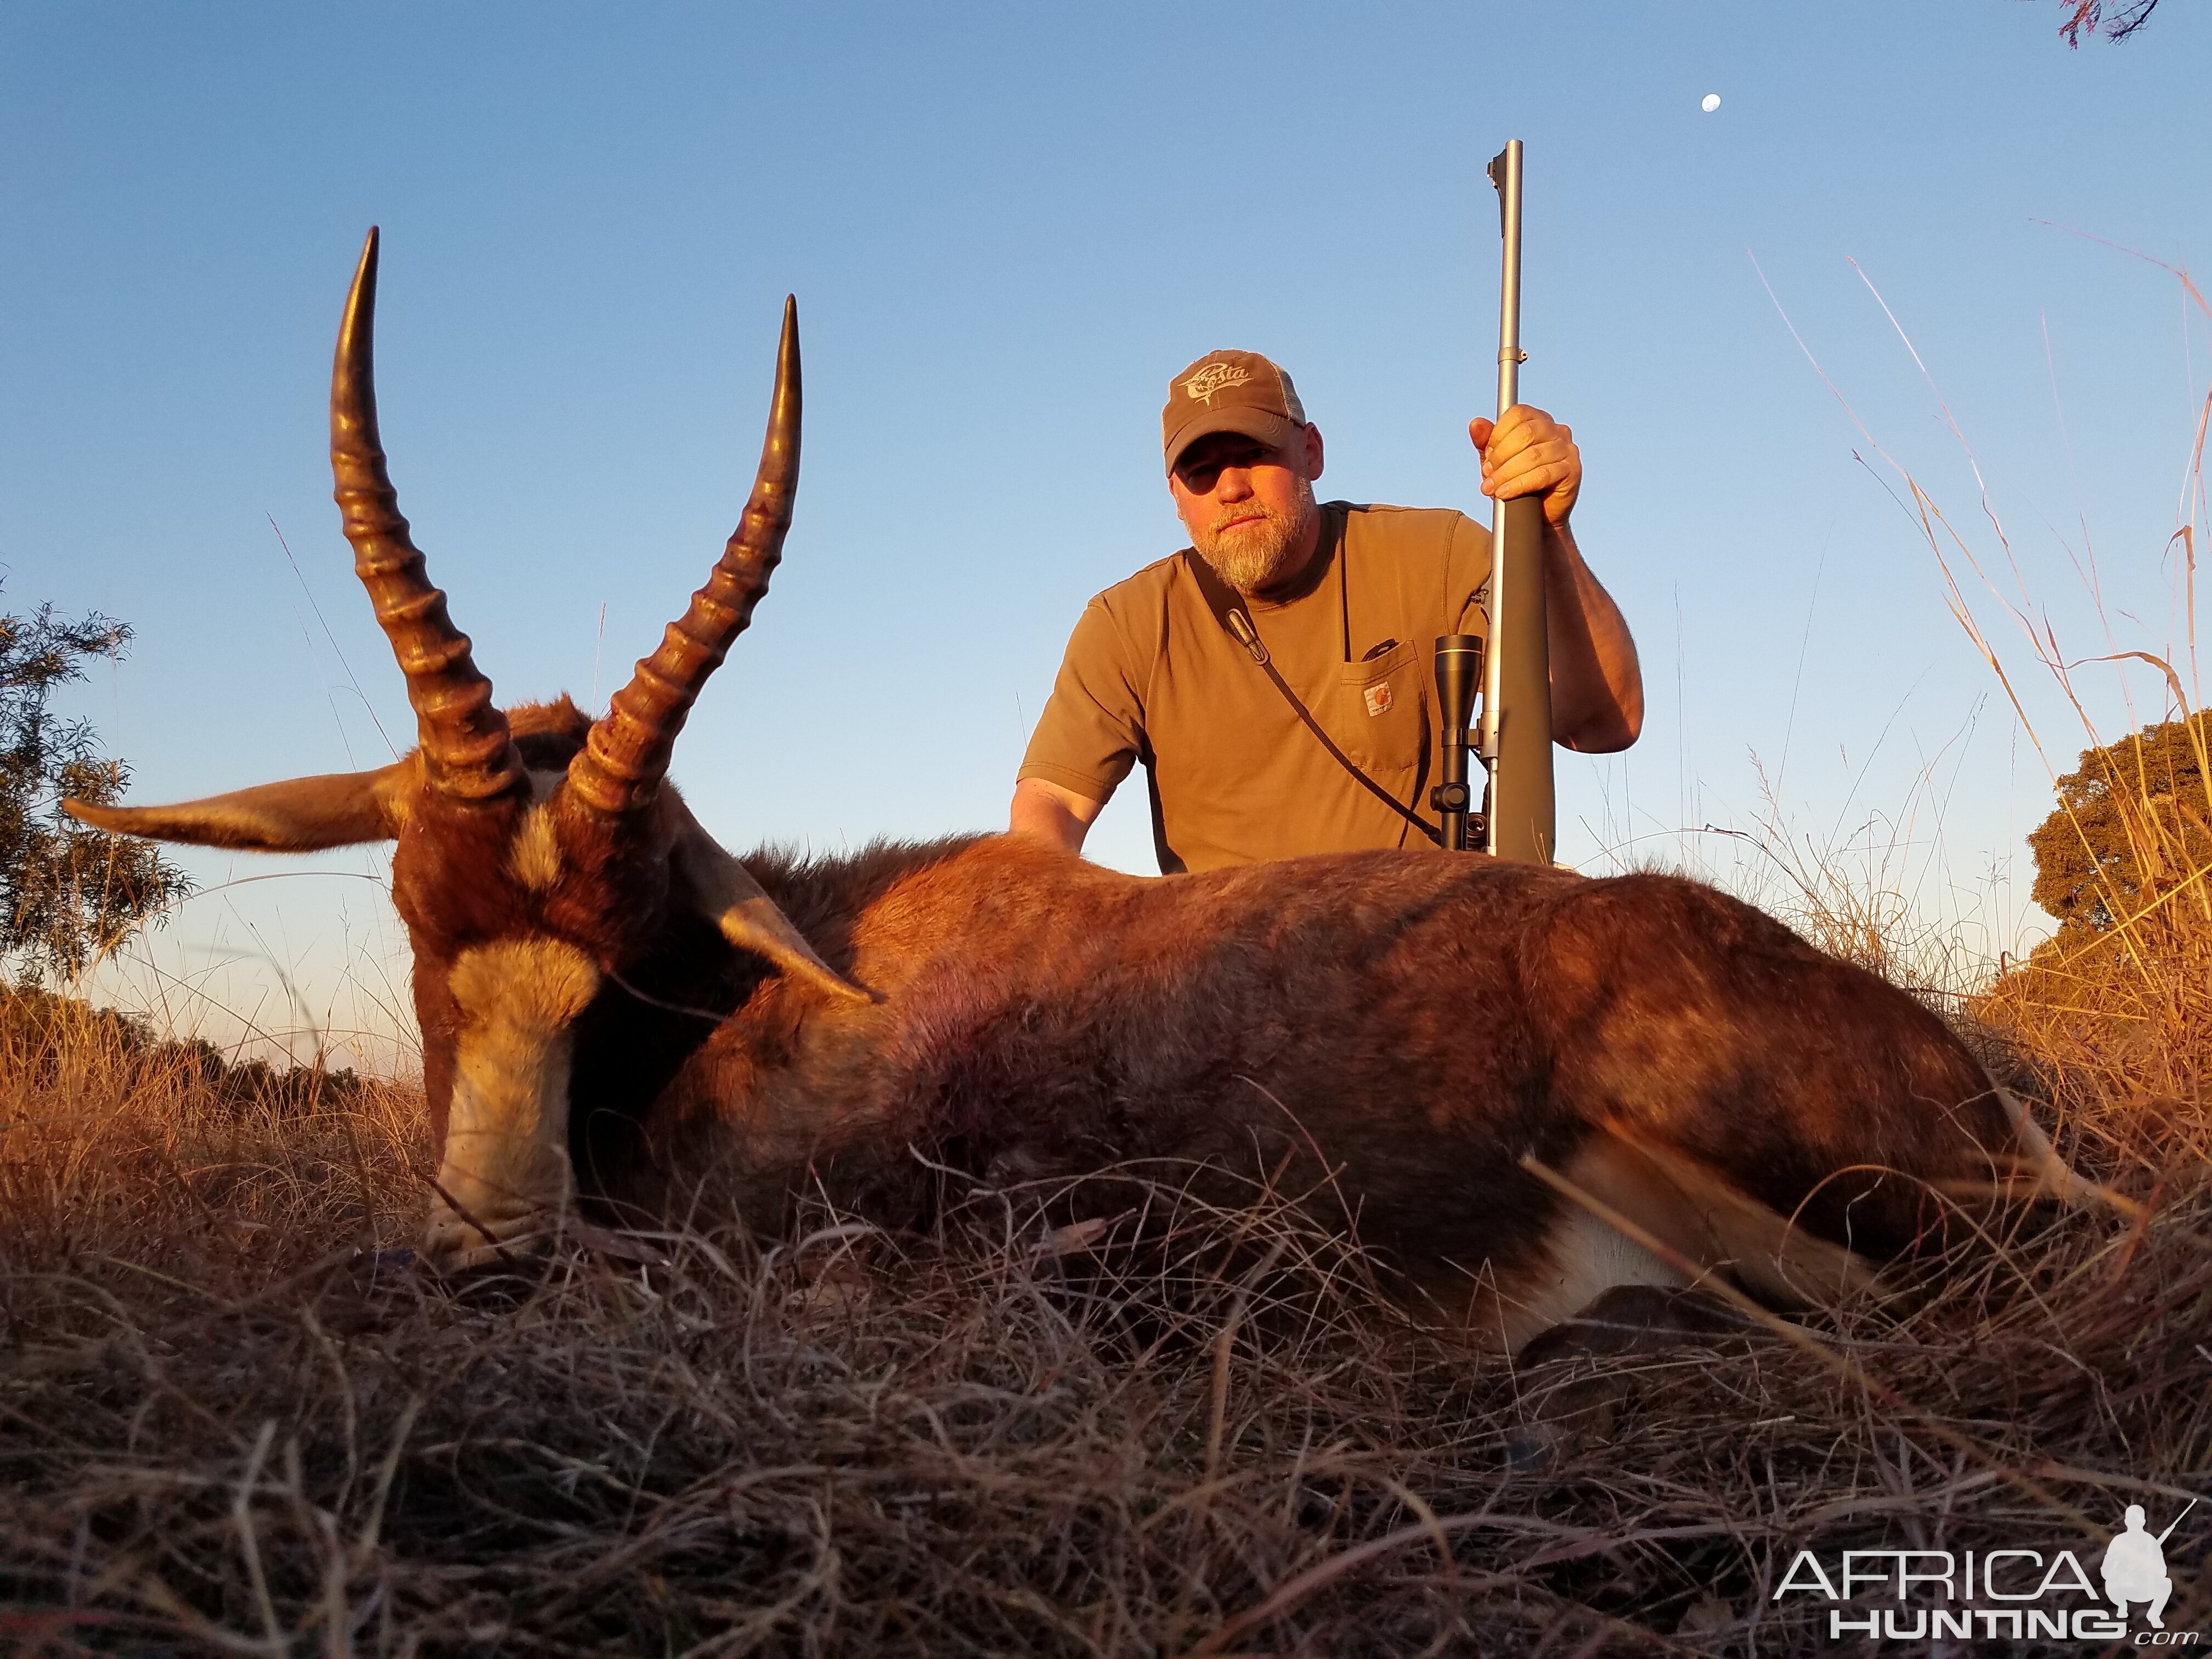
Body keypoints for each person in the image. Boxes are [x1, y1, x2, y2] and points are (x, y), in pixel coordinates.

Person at [1008, 348, 1643, 872]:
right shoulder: (1127, 623)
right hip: (1222, 993)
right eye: (1201, 471)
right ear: (1177, 495)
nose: (1231, 487)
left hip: (1419, 966)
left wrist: (1549, 534)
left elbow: (1606, 721)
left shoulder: (1436, 555)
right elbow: (1050, 805)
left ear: (1310, 451)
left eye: (1255, 453)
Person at [2102, 1505, 2174, 1628]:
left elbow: (2162, 1570)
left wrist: (2147, 1569)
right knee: (2110, 1583)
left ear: (2144, 1521)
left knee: (2167, 1584)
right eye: (2131, 1519)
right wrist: (2122, 1572)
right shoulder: (2119, 1541)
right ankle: (2122, 1607)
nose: (2134, 1523)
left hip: (2145, 1588)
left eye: (2138, 1519)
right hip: (2122, 1588)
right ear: (2126, 1522)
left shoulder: (2150, 1541)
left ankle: (2154, 1614)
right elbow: (2106, 1569)